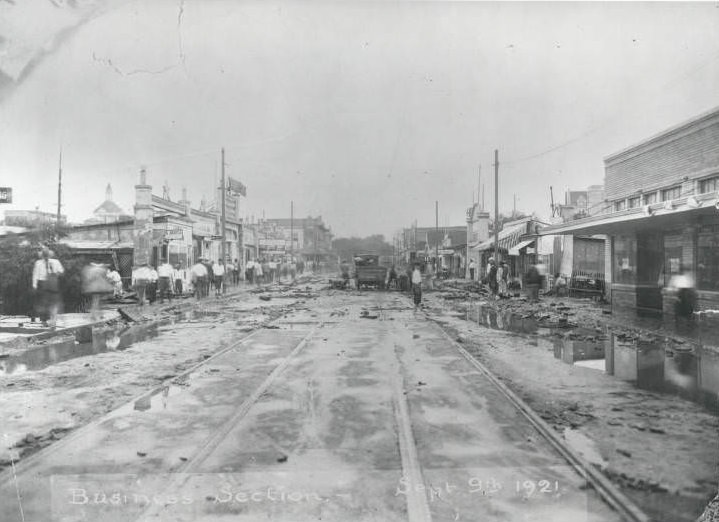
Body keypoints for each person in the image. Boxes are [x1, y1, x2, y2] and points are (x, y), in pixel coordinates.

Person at [32, 247, 65, 327]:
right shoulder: (38, 263)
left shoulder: (55, 262)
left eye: (46, 255)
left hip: (52, 283)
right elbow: (35, 274)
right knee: (43, 303)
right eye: (44, 255)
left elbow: (61, 271)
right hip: (42, 283)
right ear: (42, 256)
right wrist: (34, 285)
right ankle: (44, 321)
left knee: (53, 302)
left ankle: (53, 319)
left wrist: (54, 273)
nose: (46, 256)